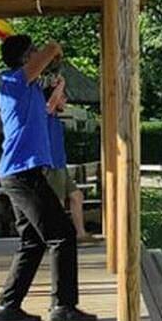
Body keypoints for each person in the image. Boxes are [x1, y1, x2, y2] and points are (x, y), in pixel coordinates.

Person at [0, 35, 95, 321]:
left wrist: (56, 85)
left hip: (20, 172)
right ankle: (63, 307)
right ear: (27, 57)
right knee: (62, 234)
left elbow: (49, 104)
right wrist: (54, 46)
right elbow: (48, 52)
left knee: (33, 241)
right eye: (33, 52)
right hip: (23, 173)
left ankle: (7, 306)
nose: (39, 55)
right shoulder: (13, 81)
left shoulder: (29, 90)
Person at [43, 76, 96, 244]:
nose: (65, 100)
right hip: (51, 165)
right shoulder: (44, 115)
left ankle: (80, 234)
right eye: (62, 96)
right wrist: (61, 85)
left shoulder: (55, 119)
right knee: (56, 202)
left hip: (60, 165)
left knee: (76, 196)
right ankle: (56, 238)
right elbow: (49, 106)